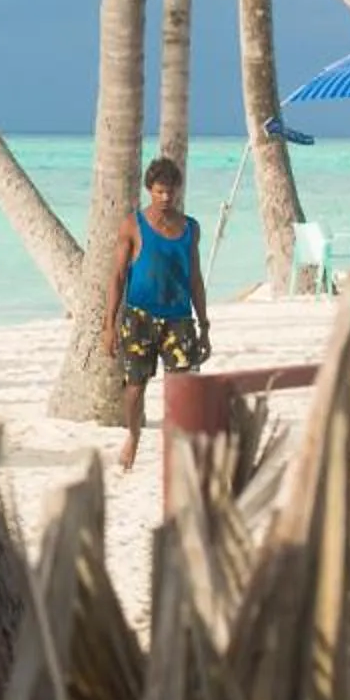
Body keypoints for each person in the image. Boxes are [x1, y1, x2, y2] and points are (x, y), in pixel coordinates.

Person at [107, 155, 210, 472]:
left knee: (183, 388)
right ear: (150, 190)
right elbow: (117, 277)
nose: (166, 198)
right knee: (135, 388)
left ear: (178, 190)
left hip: (179, 319)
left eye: (171, 192)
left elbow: (195, 278)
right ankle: (134, 436)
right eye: (159, 191)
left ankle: (179, 448)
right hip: (139, 319)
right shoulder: (132, 225)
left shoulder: (190, 228)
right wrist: (107, 327)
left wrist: (204, 326)